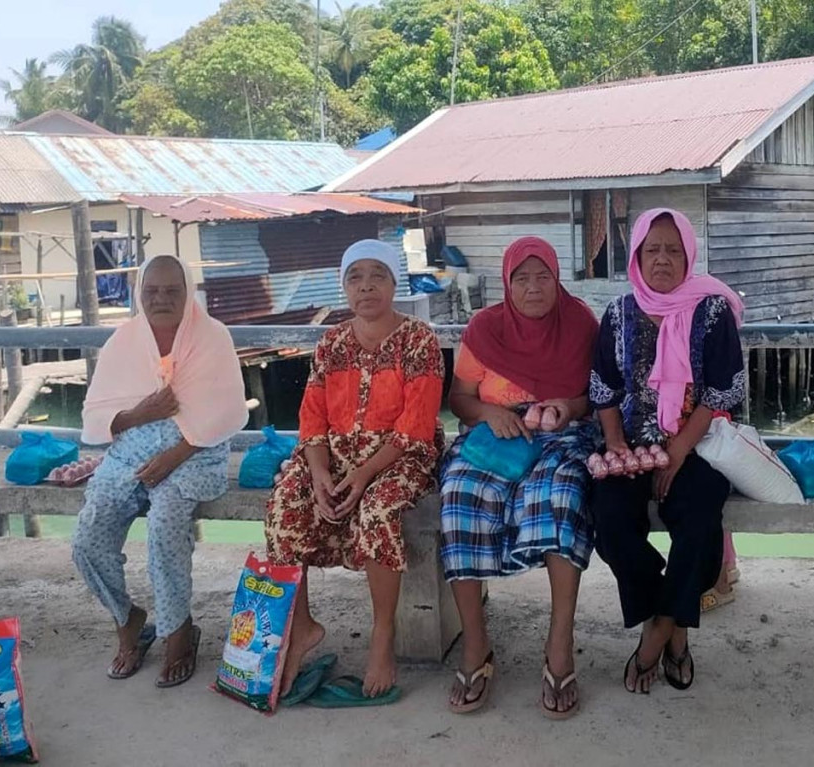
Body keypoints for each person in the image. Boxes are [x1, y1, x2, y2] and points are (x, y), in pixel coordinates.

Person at [266, 239, 444, 701]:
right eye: (355, 277)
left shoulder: (418, 340)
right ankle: (300, 625)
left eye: (377, 275)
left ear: (393, 283)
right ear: (345, 287)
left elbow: (417, 427)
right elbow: (312, 420)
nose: (366, 286)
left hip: (401, 456)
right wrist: (320, 474)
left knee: (378, 511)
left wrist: (363, 475)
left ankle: (382, 635)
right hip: (336, 456)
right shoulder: (330, 343)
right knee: (286, 499)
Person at [440, 237, 599, 718]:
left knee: (560, 497)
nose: (533, 288)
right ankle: (476, 644)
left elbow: (597, 395)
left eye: (543, 277)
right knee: (458, 494)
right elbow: (460, 399)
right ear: (508, 283)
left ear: (557, 279)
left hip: (562, 434)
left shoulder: (580, 325)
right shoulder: (485, 328)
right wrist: (490, 411)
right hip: (496, 434)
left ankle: (559, 643)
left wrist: (565, 407)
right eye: (521, 279)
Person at [73, 255, 248, 687]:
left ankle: (177, 631)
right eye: (152, 291)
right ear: (140, 293)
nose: (161, 299)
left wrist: (173, 456)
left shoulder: (213, 337)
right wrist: (140, 412)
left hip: (194, 454)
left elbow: (226, 411)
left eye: (172, 290)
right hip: (130, 454)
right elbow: (96, 417)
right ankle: (127, 619)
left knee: (166, 523)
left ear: (188, 293)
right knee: (88, 537)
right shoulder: (124, 342)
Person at [590, 208, 745, 694]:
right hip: (631, 444)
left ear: (688, 255)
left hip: (697, 446)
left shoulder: (712, 310)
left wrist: (677, 449)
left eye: (673, 249)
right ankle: (671, 615)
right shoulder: (617, 313)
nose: (662, 259)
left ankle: (657, 631)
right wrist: (616, 446)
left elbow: (724, 390)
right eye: (651, 249)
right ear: (636, 255)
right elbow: (603, 389)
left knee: (699, 523)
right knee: (610, 522)